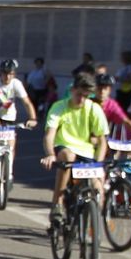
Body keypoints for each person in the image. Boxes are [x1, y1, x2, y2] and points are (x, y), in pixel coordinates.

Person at [40, 75, 109, 218]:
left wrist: (98, 164)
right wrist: (50, 154)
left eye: (86, 96)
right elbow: (49, 135)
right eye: (79, 94)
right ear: (72, 90)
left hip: (86, 152)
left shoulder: (94, 108)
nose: (82, 99)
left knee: (98, 188)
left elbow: (102, 142)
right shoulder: (59, 107)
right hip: (64, 146)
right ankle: (57, 203)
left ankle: (93, 228)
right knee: (68, 156)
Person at [0, 59, 39, 164]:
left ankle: (8, 171)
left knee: (11, 142)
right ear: (0, 73)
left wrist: (33, 118)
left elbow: (27, 103)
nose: (7, 77)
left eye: (11, 74)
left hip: (8, 116)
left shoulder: (16, 84)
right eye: (5, 74)